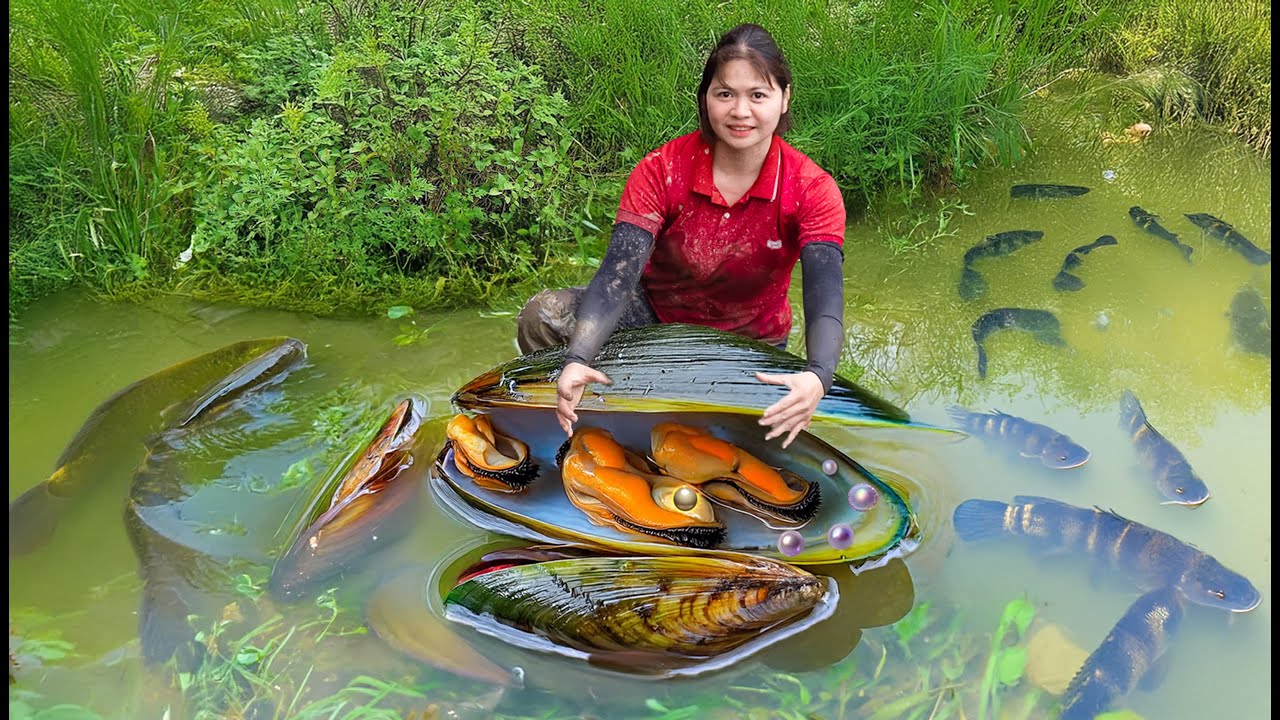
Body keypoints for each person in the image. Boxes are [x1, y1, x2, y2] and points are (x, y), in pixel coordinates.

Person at [516, 23, 846, 450]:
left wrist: (818, 375)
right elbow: (616, 278)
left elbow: (825, 298)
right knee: (543, 316)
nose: (740, 111)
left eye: (758, 95)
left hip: (749, 343)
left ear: (784, 99)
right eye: (725, 93)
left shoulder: (811, 188)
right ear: (705, 99)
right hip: (654, 318)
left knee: (747, 451)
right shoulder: (663, 168)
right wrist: (578, 358)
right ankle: (566, 426)